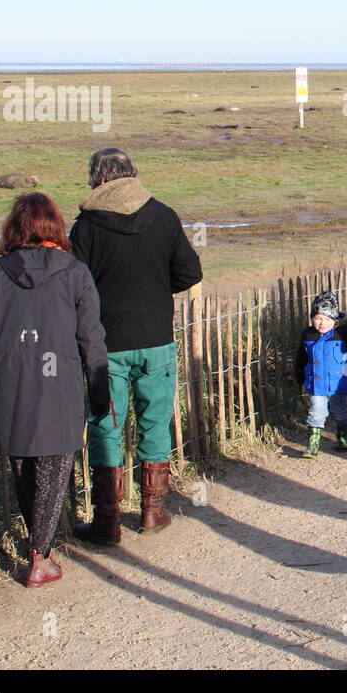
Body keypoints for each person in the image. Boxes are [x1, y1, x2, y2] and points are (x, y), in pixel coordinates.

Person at [0, 193, 110, 587]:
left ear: (16, 227)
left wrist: (12, 346)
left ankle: (39, 550)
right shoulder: (76, 272)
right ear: (54, 227)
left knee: (26, 471)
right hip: (58, 385)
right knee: (53, 471)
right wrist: (100, 391)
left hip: (12, 384)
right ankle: (39, 559)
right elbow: (91, 339)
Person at [69, 148, 203, 546]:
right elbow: (189, 272)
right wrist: (157, 289)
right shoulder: (162, 216)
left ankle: (107, 522)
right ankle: (152, 512)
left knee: (105, 427)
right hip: (156, 341)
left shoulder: (86, 226)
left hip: (105, 346)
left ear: (98, 179)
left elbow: (74, 285)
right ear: (132, 174)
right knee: (154, 424)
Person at [293, 292, 347, 458]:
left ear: (335, 320)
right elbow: (302, 356)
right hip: (316, 384)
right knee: (316, 412)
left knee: (339, 412)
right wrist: (299, 373)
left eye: (326, 319)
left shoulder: (343, 334)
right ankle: (313, 444)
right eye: (317, 318)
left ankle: (342, 434)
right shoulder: (308, 334)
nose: (321, 323)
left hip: (337, 383)